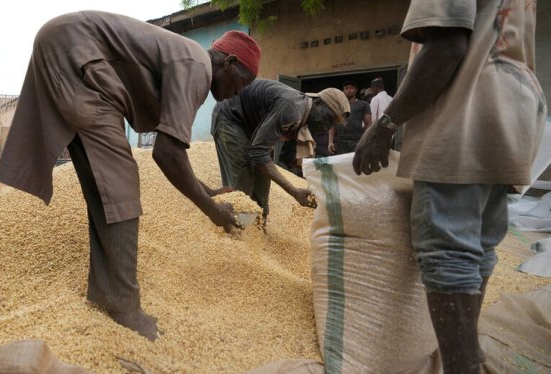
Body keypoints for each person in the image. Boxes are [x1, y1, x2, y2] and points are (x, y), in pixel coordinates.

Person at [0, 11, 261, 341]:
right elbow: (167, 154)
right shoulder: (197, 66)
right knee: (119, 180)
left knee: (106, 180)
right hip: (77, 51)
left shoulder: (190, 59)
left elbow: (170, 153)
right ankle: (124, 307)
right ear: (229, 62)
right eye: (244, 82)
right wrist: (212, 210)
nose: (240, 93)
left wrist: (208, 191)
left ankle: (108, 293)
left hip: (70, 46)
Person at [352, 1, 546, 372]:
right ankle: (467, 353)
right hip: (513, 109)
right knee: (477, 247)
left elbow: (446, 46)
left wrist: (385, 126)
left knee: (447, 251)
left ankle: (463, 365)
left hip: (468, 108)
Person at [211, 79, 349, 221]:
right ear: (318, 103)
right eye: (329, 118)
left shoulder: (303, 117)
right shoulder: (293, 108)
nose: (328, 127)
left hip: (251, 127)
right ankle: (234, 231)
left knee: (262, 188)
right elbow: (258, 153)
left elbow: (265, 149)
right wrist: (293, 191)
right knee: (243, 182)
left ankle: (257, 231)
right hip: (230, 118)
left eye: (333, 124)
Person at [328, 80, 371, 155]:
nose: (348, 90)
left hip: (357, 140)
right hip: (340, 141)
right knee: (341, 164)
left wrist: (366, 140)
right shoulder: (337, 105)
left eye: (351, 88)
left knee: (356, 164)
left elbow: (368, 123)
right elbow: (332, 124)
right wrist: (330, 142)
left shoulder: (363, 104)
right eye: (346, 88)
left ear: (355, 90)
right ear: (343, 91)